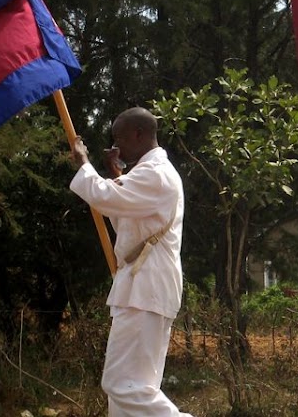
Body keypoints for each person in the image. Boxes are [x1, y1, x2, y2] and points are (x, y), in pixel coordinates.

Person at [69, 107, 189, 417]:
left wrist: (85, 164)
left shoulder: (156, 174)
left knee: (123, 385)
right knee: (132, 390)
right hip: (143, 287)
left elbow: (107, 199)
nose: (116, 146)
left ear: (139, 134)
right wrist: (117, 174)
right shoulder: (146, 174)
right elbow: (126, 217)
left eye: (120, 138)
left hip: (145, 288)